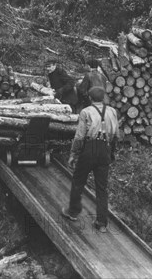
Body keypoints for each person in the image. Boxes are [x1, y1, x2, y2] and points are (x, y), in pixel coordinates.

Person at [62, 86, 122, 233]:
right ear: (103, 98)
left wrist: (73, 154)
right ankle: (102, 223)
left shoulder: (86, 112)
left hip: (89, 148)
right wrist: (111, 153)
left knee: (78, 180)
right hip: (105, 149)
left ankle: (73, 212)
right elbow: (116, 135)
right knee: (102, 188)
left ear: (90, 98)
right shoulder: (113, 112)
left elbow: (79, 136)